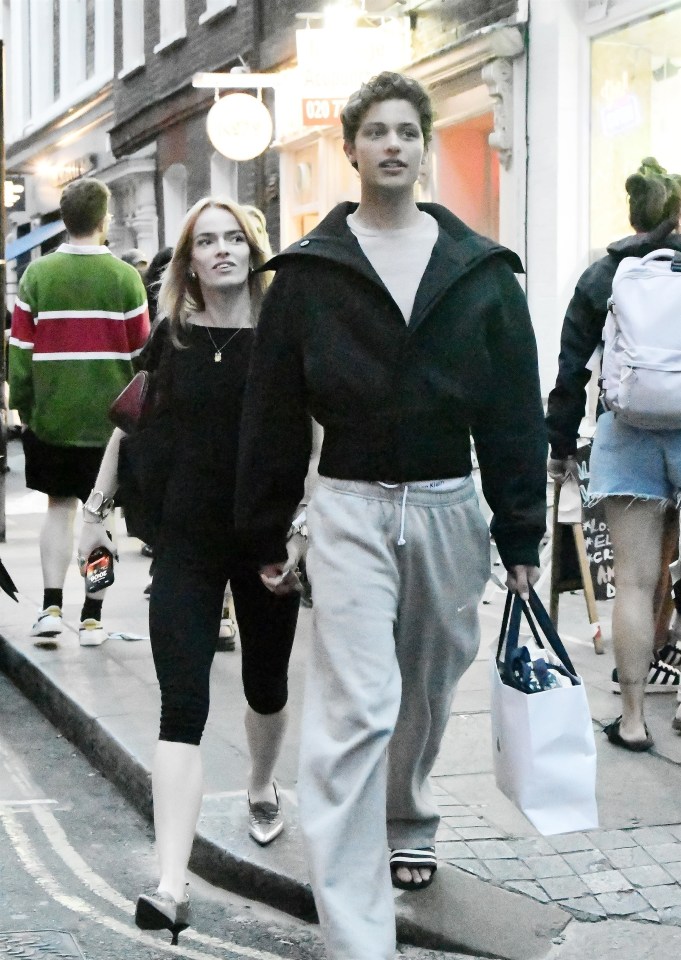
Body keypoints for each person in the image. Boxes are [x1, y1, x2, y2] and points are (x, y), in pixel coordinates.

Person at [235, 72, 547, 960]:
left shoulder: (481, 272)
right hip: (349, 509)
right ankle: (357, 934)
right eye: (377, 132)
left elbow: (513, 410)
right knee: (355, 710)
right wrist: (265, 530)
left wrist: (521, 532)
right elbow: (271, 409)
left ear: (422, 145)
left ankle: (408, 811)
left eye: (409, 131)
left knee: (427, 686)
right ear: (352, 149)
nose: (395, 146)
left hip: (451, 506)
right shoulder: (305, 273)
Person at [77, 197, 300, 944]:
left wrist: (310, 522)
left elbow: (323, 435)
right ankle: (170, 885)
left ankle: (263, 785)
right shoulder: (170, 337)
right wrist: (94, 510)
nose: (223, 250)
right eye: (206, 241)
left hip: (265, 540)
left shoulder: (282, 335)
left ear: (253, 247)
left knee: (266, 684)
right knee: (182, 703)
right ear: (189, 261)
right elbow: (129, 420)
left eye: (234, 237)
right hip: (185, 542)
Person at [546, 157, 681, 749]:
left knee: (633, 582)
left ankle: (631, 720)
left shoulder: (604, 273)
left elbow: (570, 366)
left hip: (624, 435)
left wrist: (559, 445)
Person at [9, 178, 149, 647]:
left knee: (58, 508)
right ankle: (92, 616)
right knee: (100, 513)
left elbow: (21, 353)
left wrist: (25, 409)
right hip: (111, 424)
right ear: (104, 219)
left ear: (63, 219)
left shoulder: (37, 277)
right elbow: (142, 356)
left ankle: (50, 608)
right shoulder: (126, 278)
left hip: (53, 416)